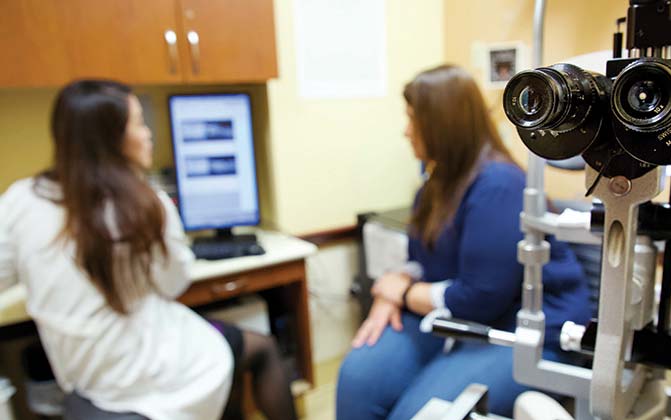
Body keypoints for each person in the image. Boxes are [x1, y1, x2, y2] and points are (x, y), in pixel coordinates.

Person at [0, 80, 297, 420]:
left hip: (87, 379)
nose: (148, 134)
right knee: (259, 348)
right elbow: (174, 284)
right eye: (139, 124)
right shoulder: (144, 204)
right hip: (156, 374)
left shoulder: (20, 201)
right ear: (112, 139)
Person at [336, 65, 591, 419]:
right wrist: (394, 285)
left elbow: (479, 298)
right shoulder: (438, 181)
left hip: (526, 332)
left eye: (413, 119)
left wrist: (403, 293)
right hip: (461, 316)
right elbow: (424, 260)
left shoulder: (499, 184)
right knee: (358, 381)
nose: (406, 131)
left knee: (422, 414)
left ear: (442, 124)